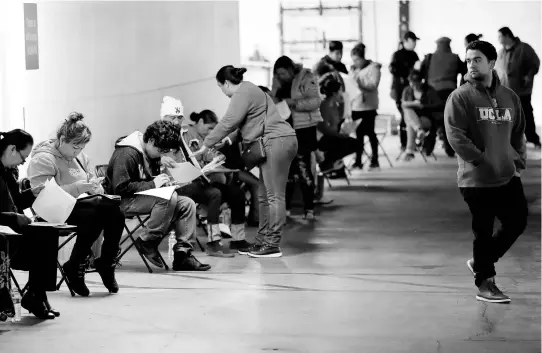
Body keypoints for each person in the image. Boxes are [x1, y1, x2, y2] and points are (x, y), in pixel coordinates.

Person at [444, 40, 527, 303]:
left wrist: (517, 162)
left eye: (477, 59)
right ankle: (485, 284)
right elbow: (455, 136)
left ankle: (481, 261)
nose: (471, 65)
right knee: (483, 229)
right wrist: (480, 160)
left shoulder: (509, 97)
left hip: (506, 175)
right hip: (476, 179)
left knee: (517, 221)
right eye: (468, 60)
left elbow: (518, 132)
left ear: (491, 63)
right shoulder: (460, 97)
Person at [193, 65, 297, 258]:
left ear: (226, 83)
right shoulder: (250, 91)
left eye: (221, 88)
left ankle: (272, 244)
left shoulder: (242, 92)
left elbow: (228, 121)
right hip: (273, 143)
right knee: (264, 195)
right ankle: (263, 240)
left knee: (274, 196)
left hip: (276, 142)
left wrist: (206, 144)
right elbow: (243, 124)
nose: (223, 93)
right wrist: (228, 139)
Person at [27, 113, 124, 297]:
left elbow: (92, 183)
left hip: (85, 208)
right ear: (62, 140)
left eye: (81, 147)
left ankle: (100, 261)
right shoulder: (43, 159)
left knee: (113, 211)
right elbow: (43, 197)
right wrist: (78, 188)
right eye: (74, 146)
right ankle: (84, 263)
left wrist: (96, 188)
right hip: (53, 210)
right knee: (101, 210)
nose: (77, 152)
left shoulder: (81, 157)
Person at [103, 120, 210, 271]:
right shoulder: (127, 153)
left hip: (141, 197)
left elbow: (145, 181)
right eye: (161, 151)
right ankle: (147, 240)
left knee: (187, 204)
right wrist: (154, 184)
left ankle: (182, 255)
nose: (162, 155)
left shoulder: (149, 152)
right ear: (151, 141)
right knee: (167, 198)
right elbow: (120, 188)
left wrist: (165, 183)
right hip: (120, 201)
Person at [0, 129, 59, 319]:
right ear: (12, 149)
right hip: (4, 231)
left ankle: (37, 294)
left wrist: (33, 193)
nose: (23, 162)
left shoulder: (9, 171)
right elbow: (10, 211)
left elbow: (16, 201)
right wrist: (12, 217)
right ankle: (36, 295)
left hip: (12, 228)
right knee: (40, 242)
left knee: (49, 233)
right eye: (23, 157)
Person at [180, 110, 254, 256]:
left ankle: (238, 239)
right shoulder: (186, 134)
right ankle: (213, 242)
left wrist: (219, 162)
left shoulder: (209, 139)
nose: (211, 132)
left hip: (208, 180)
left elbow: (213, 156)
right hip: (190, 182)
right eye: (209, 128)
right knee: (215, 193)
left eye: (214, 129)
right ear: (200, 122)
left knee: (237, 193)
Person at [272, 56, 322, 220]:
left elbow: (315, 102)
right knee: (286, 170)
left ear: (291, 69)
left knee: (303, 168)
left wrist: (293, 103)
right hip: (285, 129)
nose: (281, 77)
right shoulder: (278, 82)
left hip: (303, 129)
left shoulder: (307, 78)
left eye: (283, 73)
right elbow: (273, 99)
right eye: (278, 74)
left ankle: (309, 208)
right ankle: (285, 210)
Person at [419, 37, 466, 157]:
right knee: (448, 121)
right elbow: (465, 72)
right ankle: (450, 149)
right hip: (449, 93)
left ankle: (428, 148)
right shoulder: (455, 58)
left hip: (432, 93)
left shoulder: (429, 58)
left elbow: (420, 74)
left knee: (432, 120)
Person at [495, 26, 541, 148]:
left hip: (522, 90)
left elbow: (535, 63)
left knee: (525, 114)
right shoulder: (500, 53)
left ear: (507, 36)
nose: (498, 39)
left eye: (499, 36)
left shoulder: (524, 48)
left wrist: (529, 76)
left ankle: (533, 139)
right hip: (505, 90)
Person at [349, 43, 382, 170]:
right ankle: (358, 161)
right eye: (353, 60)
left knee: (370, 133)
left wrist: (359, 83)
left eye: (357, 59)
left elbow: (373, 85)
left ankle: (375, 159)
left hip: (368, 106)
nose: (355, 62)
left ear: (363, 58)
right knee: (358, 135)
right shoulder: (353, 69)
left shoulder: (374, 68)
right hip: (356, 106)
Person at [317, 73, 359, 172]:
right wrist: (338, 135)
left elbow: (339, 119)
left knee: (355, 144)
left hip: (333, 135)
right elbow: (323, 127)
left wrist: (343, 103)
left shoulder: (335, 105)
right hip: (324, 137)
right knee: (349, 144)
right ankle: (327, 163)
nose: (342, 93)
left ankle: (331, 163)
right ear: (334, 93)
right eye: (340, 91)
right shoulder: (324, 106)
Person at [401, 70, 444, 161]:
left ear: (421, 81)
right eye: (412, 83)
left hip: (426, 119)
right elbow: (403, 104)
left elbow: (438, 105)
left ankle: (409, 151)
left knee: (410, 123)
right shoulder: (407, 90)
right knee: (408, 110)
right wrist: (413, 103)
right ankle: (419, 130)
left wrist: (423, 106)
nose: (413, 86)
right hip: (413, 119)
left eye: (416, 83)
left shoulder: (429, 90)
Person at [390, 31, 420, 151]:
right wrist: (408, 73)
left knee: (411, 114)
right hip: (400, 90)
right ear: (406, 40)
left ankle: (411, 142)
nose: (415, 44)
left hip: (413, 91)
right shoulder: (397, 55)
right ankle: (405, 143)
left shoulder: (414, 55)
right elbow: (393, 70)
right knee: (404, 115)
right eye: (413, 41)